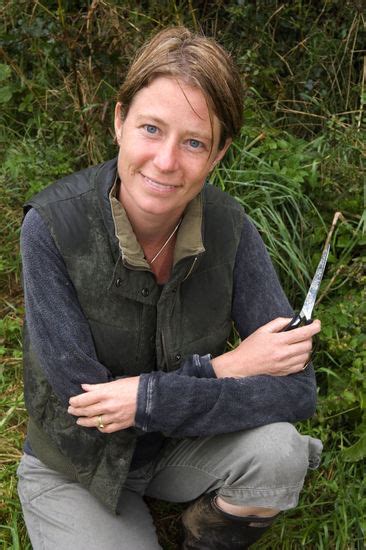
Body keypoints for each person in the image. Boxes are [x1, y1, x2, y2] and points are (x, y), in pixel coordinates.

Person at [17, 26, 322, 549]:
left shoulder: (232, 229)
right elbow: (86, 411)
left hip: (178, 448)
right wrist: (226, 369)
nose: (165, 161)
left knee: (281, 453)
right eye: (151, 129)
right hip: (75, 467)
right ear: (119, 121)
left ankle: (199, 533)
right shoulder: (51, 226)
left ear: (219, 153)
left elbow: (295, 389)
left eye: (194, 142)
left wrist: (146, 399)